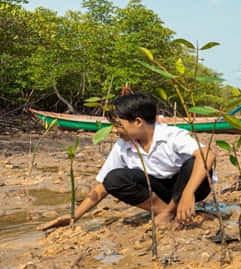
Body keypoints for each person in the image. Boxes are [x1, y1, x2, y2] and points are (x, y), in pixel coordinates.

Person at [38, 93, 215, 231]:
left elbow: (208, 155)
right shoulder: (123, 145)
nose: (114, 131)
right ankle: (165, 211)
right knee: (113, 178)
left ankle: (171, 211)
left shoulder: (171, 135)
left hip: (190, 187)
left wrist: (188, 194)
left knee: (193, 163)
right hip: (159, 191)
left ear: (138, 122)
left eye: (118, 125)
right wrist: (74, 216)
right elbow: (102, 186)